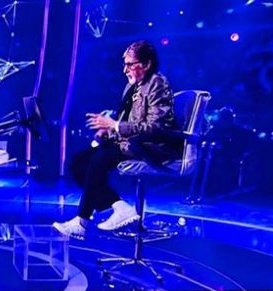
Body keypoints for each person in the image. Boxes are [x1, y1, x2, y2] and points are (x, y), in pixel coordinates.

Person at [54, 40, 180, 237]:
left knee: (99, 159)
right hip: (130, 142)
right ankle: (119, 206)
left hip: (152, 145)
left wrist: (114, 125)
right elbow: (127, 121)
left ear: (146, 64)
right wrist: (108, 130)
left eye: (130, 64)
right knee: (79, 162)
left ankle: (82, 221)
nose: (125, 70)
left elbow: (156, 127)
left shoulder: (157, 83)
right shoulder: (131, 87)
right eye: (125, 64)